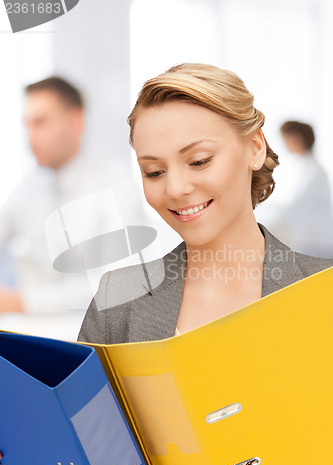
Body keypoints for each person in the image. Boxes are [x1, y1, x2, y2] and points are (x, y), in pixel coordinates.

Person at [78, 64, 333, 344]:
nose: (175, 189)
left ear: (255, 148)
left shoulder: (324, 290)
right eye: (154, 172)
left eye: (199, 161)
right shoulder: (116, 299)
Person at [0, 76, 144, 316]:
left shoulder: (115, 184)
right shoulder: (28, 189)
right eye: (27, 125)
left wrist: (22, 302)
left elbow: (117, 285)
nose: (31, 137)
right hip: (31, 334)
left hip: (88, 339)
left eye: (41, 122)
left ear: (75, 121)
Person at [255, 120, 333, 258]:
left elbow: (292, 207)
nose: (285, 144)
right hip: (311, 241)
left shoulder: (314, 172)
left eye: (285, 139)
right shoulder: (306, 168)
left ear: (296, 138)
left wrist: (259, 226)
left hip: (317, 243)